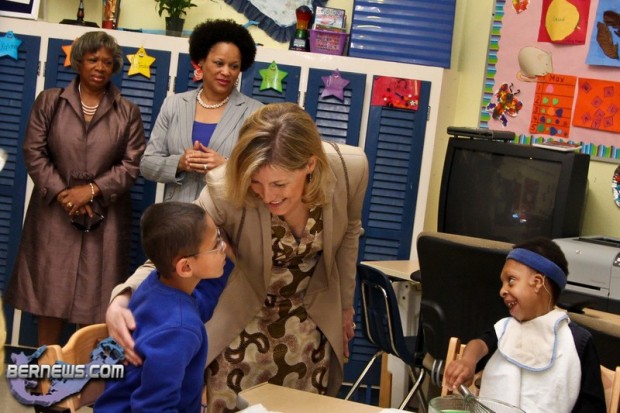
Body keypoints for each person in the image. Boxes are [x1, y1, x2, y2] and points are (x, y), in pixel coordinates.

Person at [106, 102, 369, 412]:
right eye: (256, 183)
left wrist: (345, 305)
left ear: (310, 165)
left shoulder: (350, 170)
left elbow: (350, 233)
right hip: (242, 324)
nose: (268, 196)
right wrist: (122, 297)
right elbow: (174, 254)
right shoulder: (225, 187)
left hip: (309, 325)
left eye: (279, 184)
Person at [5, 31, 146, 346]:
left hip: (104, 219)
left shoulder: (128, 111)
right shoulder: (51, 101)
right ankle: (44, 374)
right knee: (49, 297)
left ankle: (84, 383)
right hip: (55, 213)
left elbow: (132, 165)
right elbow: (34, 150)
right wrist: (63, 192)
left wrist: (92, 190)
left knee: (96, 302)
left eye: (108, 62)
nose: (100, 67)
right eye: (93, 59)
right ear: (79, 61)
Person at [444, 237, 606, 413]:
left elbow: (592, 405)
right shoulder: (505, 329)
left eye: (511, 280)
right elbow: (480, 345)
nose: (502, 290)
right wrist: (468, 361)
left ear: (537, 283)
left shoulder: (577, 342)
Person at [94, 202, 227, 412]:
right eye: (216, 243)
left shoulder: (154, 286)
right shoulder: (180, 329)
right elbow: (154, 407)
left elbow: (200, 306)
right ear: (185, 267)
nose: (224, 248)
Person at [140, 19, 263, 203]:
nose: (226, 72)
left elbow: (262, 175)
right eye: (219, 63)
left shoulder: (255, 113)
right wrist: (180, 163)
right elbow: (147, 164)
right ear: (201, 62)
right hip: (176, 218)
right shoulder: (173, 105)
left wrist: (226, 166)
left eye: (234, 66)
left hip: (225, 220)